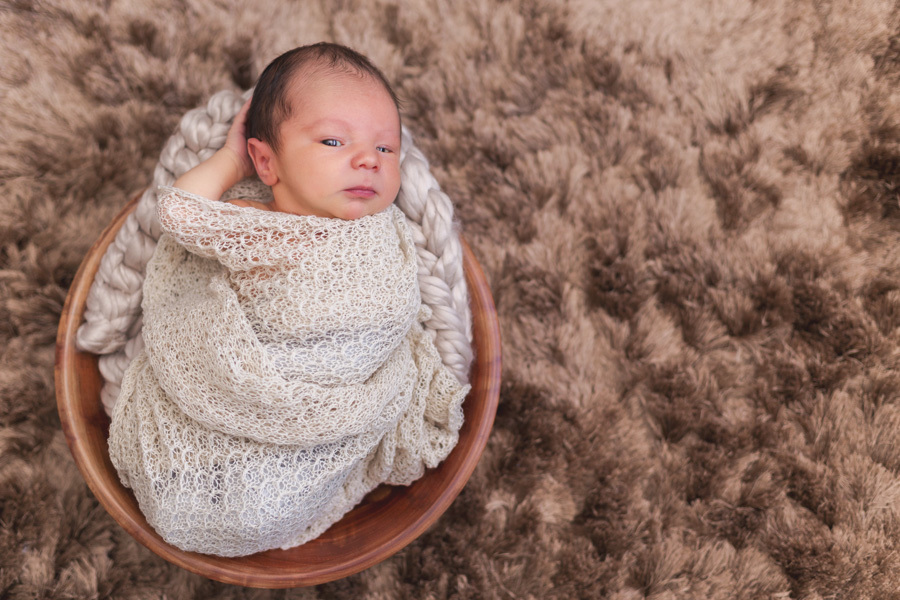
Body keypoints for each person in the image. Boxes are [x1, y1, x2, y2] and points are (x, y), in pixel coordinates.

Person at [107, 43, 469, 557]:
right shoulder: (262, 229)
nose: (368, 160)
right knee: (223, 481)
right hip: (250, 391)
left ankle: (264, 496)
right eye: (333, 140)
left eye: (386, 149)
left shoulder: (385, 230)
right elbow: (181, 213)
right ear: (266, 161)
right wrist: (231, 160)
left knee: (268, 499)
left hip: (336, 406)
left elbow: (395, 319)